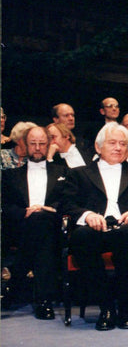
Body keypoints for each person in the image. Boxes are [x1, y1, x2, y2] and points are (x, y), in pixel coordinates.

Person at [62, 123, 128, 330]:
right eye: (112, 143)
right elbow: (67, 204)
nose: (118, 148)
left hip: (127, 228)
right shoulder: (79, 173)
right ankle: (106, 306)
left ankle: (125, 307)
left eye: (123, 144)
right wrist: (87, 215)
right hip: (95, 228)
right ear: (98, 148)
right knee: (81, 237)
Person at [1, 127, 68, 319]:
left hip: (54, 225)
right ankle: (43, 300)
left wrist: (48, 209)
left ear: (48, 145)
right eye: (33, 143)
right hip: (21, 228)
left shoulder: (62, 171)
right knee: (39, 230)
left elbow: (68, 201)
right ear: (24, 144)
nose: (37, 148)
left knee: (41, 222)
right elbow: (6, 206)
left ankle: (15, 283)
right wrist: (25, 212)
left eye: (42, 143)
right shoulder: (11, 175)